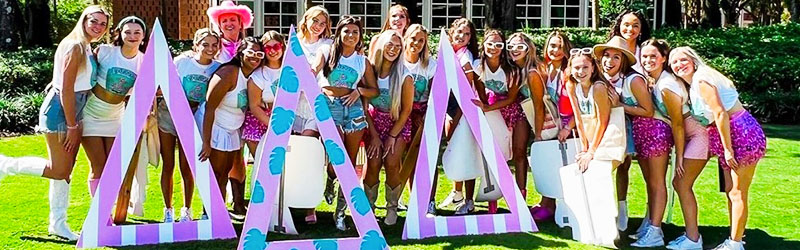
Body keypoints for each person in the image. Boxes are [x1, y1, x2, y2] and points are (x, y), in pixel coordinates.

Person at [0, 6, 109, 240]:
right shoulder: (75, 46)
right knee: (59, 169)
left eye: (103, 23)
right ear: (84, 20)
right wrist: (72, 125)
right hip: (62, 110)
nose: (98, 27)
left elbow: (64, 79)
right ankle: (5, 165)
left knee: (65, 172)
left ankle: (58, 224)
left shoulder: (85, 45)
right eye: (94, 21)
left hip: (74, 109)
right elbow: (66, 89)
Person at [669, 46, 766, 250]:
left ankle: (735, 243)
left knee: (737, 193)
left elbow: (720, 113)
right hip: (728, 135)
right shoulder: (695, 82)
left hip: (739, 133)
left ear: (693, 60)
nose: (679, 65)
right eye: (674, 62)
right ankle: (734, 239)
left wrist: (728, 149)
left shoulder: (701, 79)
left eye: (683, 60)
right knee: (732, 191)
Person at [313, 16, 378, 230]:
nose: (351, 35)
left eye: (355, 32)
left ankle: (340, 213)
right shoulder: (326, 52)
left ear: (360, 36)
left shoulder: (362, 61)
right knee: (335, 154)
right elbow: (312, 72)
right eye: (347, 31)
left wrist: (359, 90)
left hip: (353, 108)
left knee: (349, 162)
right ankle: (330, 177)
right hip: (329, 105)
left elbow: (374, 90)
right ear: (339, 33)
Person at [158, 28, 222, 223]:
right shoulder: (182, 62)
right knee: (168, 164)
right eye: (205, 44)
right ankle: (168, 209)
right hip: (168, 114)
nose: (209, 49)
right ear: (196, 45)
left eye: (214, 45)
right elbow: (162, 83)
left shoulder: (218, 68)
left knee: (188, 166)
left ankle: (186, 209)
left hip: (193, 116)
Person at [565, 47, 626, 248]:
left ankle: (608, 228)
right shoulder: (571, 85)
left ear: (593, 68)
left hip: (607, 137)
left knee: (599, 177)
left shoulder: (598, 87)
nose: (580, 71)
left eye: (585, 67)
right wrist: (584, 147)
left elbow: (603, 120)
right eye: (576, 67)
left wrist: (592, 151)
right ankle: (592, 226)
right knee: (587, 175)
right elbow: (579, 119)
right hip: (590, 138)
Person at [626, 38, 684, 247]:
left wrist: (680, 155)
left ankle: (655, 231)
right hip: (647, 134)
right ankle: (650, 223)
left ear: (663, 59)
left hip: (659, 135)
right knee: (651, 182)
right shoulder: (652, 79)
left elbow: (678, 123)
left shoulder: (667, 84)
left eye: (653, 56)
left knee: (658, 183)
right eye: (645, 57)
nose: (648, 60)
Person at [82, 16, 146, 197]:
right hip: (90, 114)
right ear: (119, 33)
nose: (132, 36)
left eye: (137, 32)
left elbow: (149, 90)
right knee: (98, 166)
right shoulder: (105, 51)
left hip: (115, 117)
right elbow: (82, 71)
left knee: (113, 168)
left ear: (143, 36)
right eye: (128, 32)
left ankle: (107, 207)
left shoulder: (144, 62)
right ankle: (101, 215)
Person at [198, 37, 262, 216]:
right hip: (216, 126)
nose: (255, 57)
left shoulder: (253, 76)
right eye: (250, 52)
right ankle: (210, 213)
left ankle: (229, 208)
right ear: (240, 53)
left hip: (233, 129)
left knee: (229, 169)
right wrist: (206, 142)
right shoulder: (229, 73)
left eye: (259, 54)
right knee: (218, 172)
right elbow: (210, 108)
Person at [596, 36, 654, 231]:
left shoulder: (633, 80)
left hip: (636, 131)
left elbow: (648, 110)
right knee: (601, 170)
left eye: (616, 57)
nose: (609, 61)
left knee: (624, 167)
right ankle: (605, 212)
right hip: (604, 128)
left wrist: (620, 105)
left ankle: (624, 210)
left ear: (624, 61)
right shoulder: (598, 77)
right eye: (606, 56)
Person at [207, 0, 255, 217]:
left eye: (233, 20)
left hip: (244, 111)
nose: (229, 23)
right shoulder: (214, 48)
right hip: (220, 111)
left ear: (241, 23)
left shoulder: (250, 47)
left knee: (239, 160)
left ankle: (238, 203)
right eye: (224, 20)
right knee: (219, 162)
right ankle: (214, 208)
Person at [362, 30, 414, 226]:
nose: (393, 49)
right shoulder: (370, 72)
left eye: (398, 46)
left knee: (392, 162)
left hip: (397, 124)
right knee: (373, 163)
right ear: (381, 45)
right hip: (374, 122)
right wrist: (374, 136)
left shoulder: (404, 76)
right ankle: (369, 206)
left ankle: (392, 207)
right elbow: (364, 106)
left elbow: (407, 109)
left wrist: (392, 136)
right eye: (390, 45)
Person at [470, 29, 524, 214]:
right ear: (483, 45)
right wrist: (486, 108)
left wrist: (488, 108)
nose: (494, 48)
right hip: (493, 111)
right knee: (494, 154)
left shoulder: (512, 69)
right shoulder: (478, 66)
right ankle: (493, 198)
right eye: (490, 44)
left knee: (518, 153)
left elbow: (511, 98)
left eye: (498, 44)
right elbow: (482, 94)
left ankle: (520, 199)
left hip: (513, 111)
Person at [434, 17, 480, 216]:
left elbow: (466, 89)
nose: (462, 36)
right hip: (448, 105)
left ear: (470, 39)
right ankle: (457, 193)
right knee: (454, 150)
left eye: (467, 33)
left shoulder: (465, 55)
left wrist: (459, 115)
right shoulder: (445, 52)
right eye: (459, 31)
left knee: (467, 153)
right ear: (451, 32)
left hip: (464, 108)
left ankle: (469, 201)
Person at [530, 30, 576, 222]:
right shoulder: (543, 70)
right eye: (553, 46)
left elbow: (579, 105)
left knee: (564, 167)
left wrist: (568, 127)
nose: (556, 50)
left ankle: (562, 208)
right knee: (549, 165)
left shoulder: (570, 72)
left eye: (560, 46)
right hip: (549, 125)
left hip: (568, 127)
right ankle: (546, 203)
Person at [297, 6, 337, 207]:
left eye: (323, 23)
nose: (318, 27)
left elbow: (321, 64)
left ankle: (311, 204)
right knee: (297, 156)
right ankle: (296, 200)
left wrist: (312, 73)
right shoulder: (294, 44)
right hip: (295, 105)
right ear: (306, 20)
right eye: (315, 21)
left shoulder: (327, 44)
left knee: (310, 149)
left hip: (317, 104)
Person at [506, 32, 546, 201]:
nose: (515, 50)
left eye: (520, 46)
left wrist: (538, 134)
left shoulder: (532, 72)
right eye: (511, 46)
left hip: (542, 118)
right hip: (525, 113)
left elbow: (539, 105)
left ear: (529, 49)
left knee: (525, 154)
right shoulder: (516, 69)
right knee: (518, 152)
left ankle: (527, 198)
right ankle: (520, 196)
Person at [607, 9, 651, 74]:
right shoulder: (607, 51)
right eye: (626, 25)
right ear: (619, 26)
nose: (630, 29)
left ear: (641, 30)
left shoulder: (645, 54)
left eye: (635, 26)